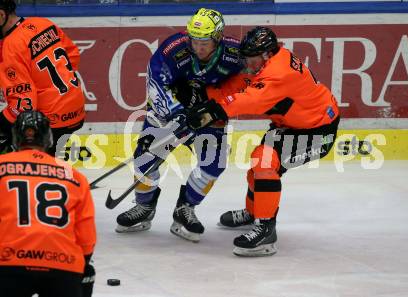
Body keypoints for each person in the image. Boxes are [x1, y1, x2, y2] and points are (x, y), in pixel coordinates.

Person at [187, 26, 340, 256]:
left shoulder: (278, 73)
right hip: (290, 126)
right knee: (257, 170)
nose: (248, 63)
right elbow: (242, 82)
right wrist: (206, 95)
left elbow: (250, 100)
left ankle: (266, 229)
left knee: (265, 162)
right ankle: (255, 212)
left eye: (252, 58)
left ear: (267, 54)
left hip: (317, 130)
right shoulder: (268, 62)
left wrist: (214, 110)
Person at [115, 8, 243, 242]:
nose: (199, 46)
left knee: (214, 161)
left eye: (205, 41)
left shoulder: (235, 53)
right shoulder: (174, 49)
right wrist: (175, 112)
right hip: (169, 110)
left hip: (208, 114)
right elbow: (155, 82)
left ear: (217, 38)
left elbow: (249, 85)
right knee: (145, 155)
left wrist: (214, 106)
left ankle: (186, 208)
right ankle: (144, 207)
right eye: (195, 40)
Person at [0, 111, 96, 296]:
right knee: (87, 271)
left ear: (15, 138)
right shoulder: (74, 176)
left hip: (9, 264)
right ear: (49, 139)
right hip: (63, 265)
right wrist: (80, 265)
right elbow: (87, 237)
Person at [0, 0, 85, 156]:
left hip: (52, 121)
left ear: (1, 15)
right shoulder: (42, 23)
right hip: (76, 109)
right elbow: (72, 55)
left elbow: (24, 104)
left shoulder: (10, 46)